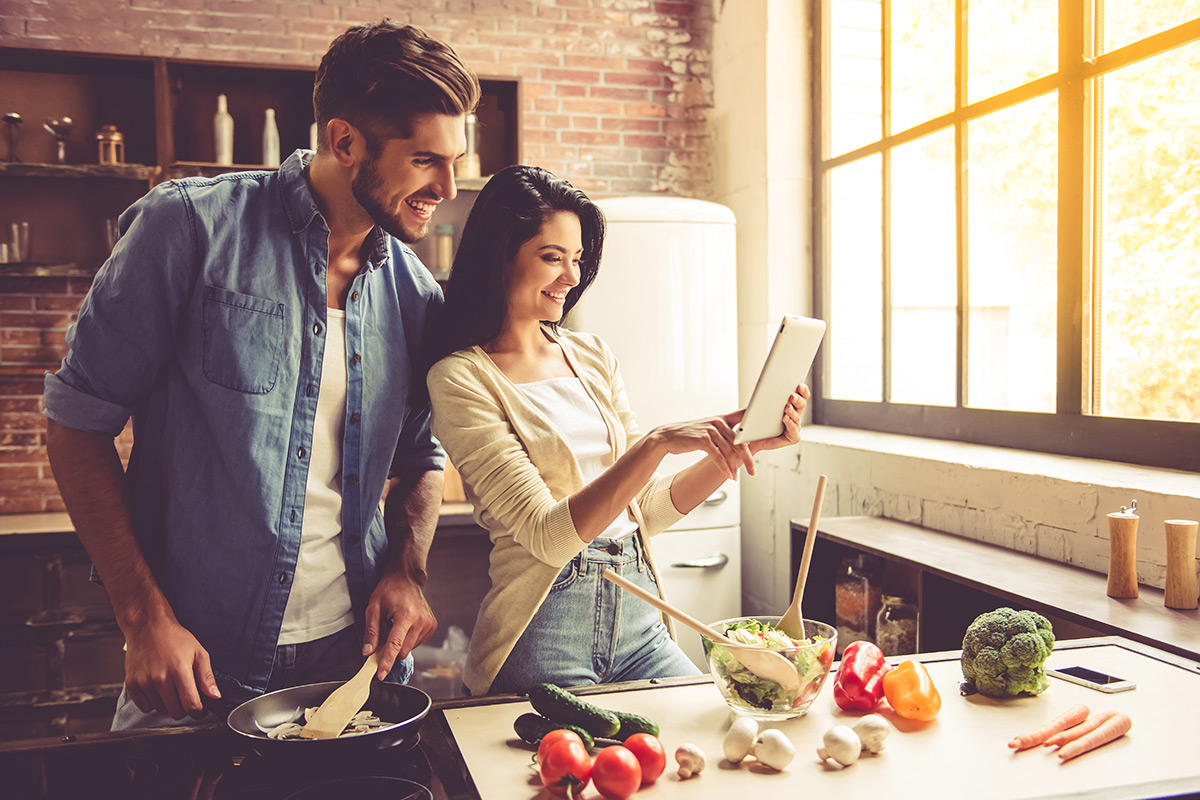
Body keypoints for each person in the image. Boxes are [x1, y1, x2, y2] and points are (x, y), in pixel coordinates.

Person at [42, 21, 480, 729]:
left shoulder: (416, 294)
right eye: (426, 160)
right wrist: (143, 618)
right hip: (195, 663)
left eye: (454, 160)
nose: (448, 187)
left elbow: (419, 456)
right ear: (345, 141)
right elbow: (76, 425)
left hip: (353, 661)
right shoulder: (189, 228)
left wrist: (407, 569)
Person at [425, 165, 810, 696]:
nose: (571, 276)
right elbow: (549, 536)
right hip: (545, 625)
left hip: (639, 614)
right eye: (552, 257)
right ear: (501, 255)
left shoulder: (592, 355)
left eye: (578, 259)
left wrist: (738, 448)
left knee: (708, 728)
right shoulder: (461, 377)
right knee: (570, 756)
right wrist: (657, 444)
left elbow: (643, 509)